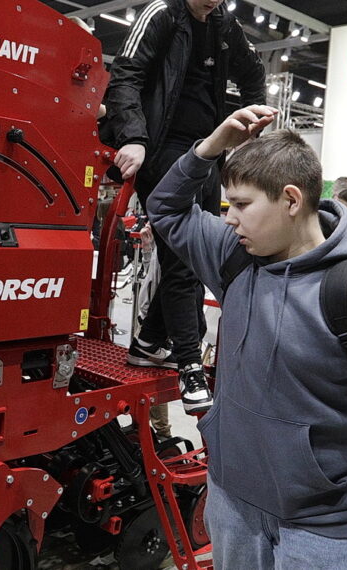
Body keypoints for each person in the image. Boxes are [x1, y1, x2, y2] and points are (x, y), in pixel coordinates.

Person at [148, 105, 347, 570]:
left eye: (241, 205)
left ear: (292, 199)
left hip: (325, 532)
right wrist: (210, 146)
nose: (230, 219)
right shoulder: (235, 259)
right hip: (231, 506)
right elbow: (164, 207)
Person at [99, 0, 265, 414]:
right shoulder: (163, 14)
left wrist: (255, 124)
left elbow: (254, 71)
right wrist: (134, 137)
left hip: (209, 151)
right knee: (182, 262)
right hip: (163, 151)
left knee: (194, 251)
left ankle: (149, 341)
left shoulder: (225, 23)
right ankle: (189, 360)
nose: (212, 2)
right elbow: (125, 76)